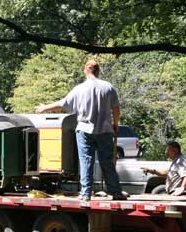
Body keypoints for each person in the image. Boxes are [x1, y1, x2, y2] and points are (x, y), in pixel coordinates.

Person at [36, 59, 126, 201]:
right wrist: (115, 125)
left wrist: (44, 107)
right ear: (98, 71)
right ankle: (116, 192)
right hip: (105, 130)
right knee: (107, 162)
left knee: (86, 161)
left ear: (86, 70)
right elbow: (116, 109)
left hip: (84, 130)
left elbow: (63, 103)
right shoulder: (108, 87)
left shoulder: (79, 89)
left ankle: (85, 194)